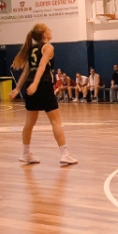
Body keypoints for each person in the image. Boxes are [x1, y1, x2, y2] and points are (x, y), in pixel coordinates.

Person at [8, 23, 77, 165]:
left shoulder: (32, 49)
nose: (51, 31)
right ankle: (64, 154)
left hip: (30, 85)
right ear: (44, 35)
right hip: (43, 84)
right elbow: (42, 66)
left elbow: (26, 71)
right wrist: (35, 83)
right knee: (55, 121)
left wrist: (17, 88)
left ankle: (25, 153)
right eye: (49, 30)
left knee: (29, 122)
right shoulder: (48, 47)